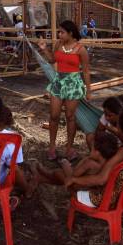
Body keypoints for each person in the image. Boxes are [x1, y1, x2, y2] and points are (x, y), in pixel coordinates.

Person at [65, 112, 123, 208]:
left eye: (118, 129)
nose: (116, 131)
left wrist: (74, 179)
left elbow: (101, 179)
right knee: (83, 170)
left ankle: (64, 168)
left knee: (69, 182)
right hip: (121, 197)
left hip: (105, 199)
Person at [37, 20, 92, 161]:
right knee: (54, 115)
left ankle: (69, 148)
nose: (59, 34)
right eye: (59, 32)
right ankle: (52, 147)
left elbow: (85, 71)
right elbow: (52, 60)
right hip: (58, 82)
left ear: (70, 33)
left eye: (62, 32)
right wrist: (44, 49)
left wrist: (88, 90)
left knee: (70, 117)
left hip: (73, 84)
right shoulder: (58, 45)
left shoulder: (81, 50)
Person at [35, 131, 120, 187]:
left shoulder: (89, 163)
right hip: (89, 187)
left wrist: (65, 164)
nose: (90, 148)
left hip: (79, 188)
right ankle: (41, 178)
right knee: (62, 175)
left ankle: (46, 173)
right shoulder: (107, 162)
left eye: (92, 147)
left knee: (59, 173)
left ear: (97, 152)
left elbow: (73, 174)